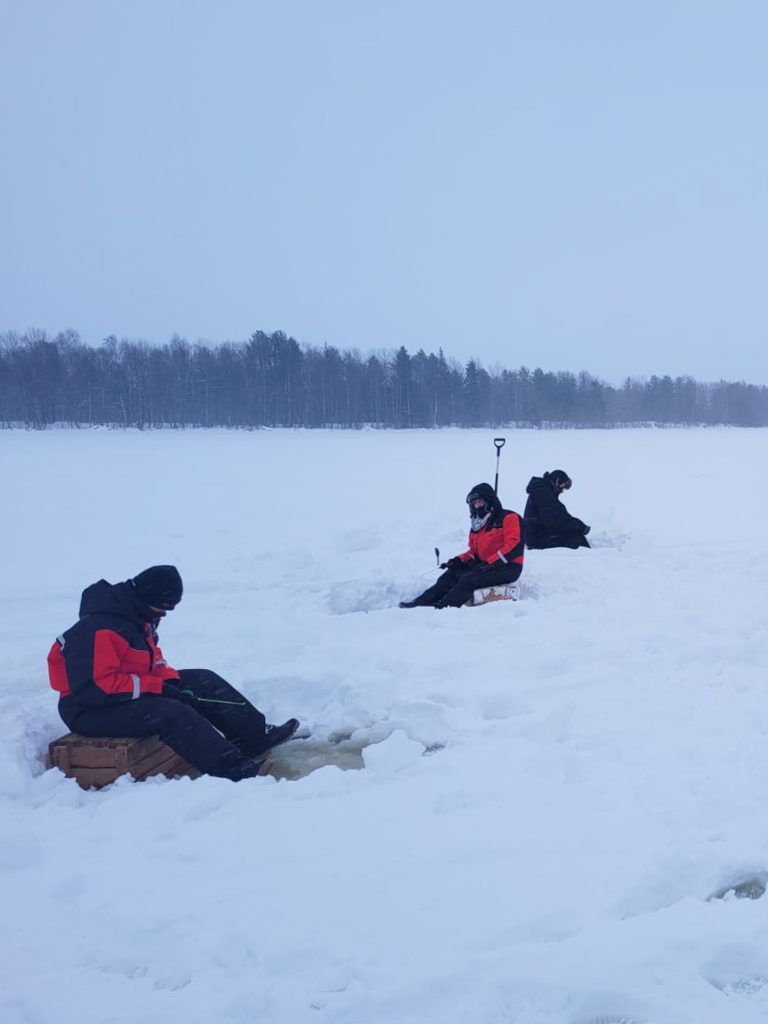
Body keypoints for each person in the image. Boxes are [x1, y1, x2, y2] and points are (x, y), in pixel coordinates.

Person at [47, 565, 300, 781]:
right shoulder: (100, 629)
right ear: (147, 599)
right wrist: (158, 690)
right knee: (171, 713)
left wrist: (170, 683)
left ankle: (254, 737)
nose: (165, 614)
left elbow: (152, 664)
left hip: (120, 695)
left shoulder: (137, 618)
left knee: (202, 680)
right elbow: (96, 688)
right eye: (164, 607)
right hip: (88, 709)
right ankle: (231, 768)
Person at [399, 483, 524, 609]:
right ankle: (420, 603)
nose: (477, 506)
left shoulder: (509, 518)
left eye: (480, 502)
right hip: (484, 565)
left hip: (508, 567)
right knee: (452, 574)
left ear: (489, 501)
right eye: (474, 503)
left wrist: (490, 562)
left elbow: (515, 546)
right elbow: (474, 552)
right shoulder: (478, 524)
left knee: (469, 579)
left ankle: (443, 607)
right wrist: (458, 560)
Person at [523, 469, 591, 549]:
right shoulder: (542, 492)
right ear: (557, 481)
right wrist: (579, 526)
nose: (562, 491)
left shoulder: (543, 491)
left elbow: (558, 514)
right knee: (575, 537)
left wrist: (576, 525)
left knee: (572, 533)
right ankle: (590, 558)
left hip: (540, 534)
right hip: (537, 538)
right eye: (563, 486)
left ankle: (585, 557)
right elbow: (557, 519)